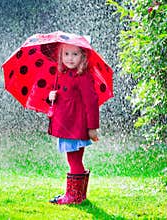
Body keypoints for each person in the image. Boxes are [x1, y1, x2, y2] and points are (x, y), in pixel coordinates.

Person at [48, 43, 99, 205]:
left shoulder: (82, 76)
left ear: (83, 56)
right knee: (74, 159)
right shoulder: (62, 74)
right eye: (67, 54)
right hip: (66, 125)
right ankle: (78, 195)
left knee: (74, 160)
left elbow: (91, 103)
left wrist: (92, 128)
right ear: (61, 56)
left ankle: (73, 196)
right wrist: (51, 96)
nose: (70, 58)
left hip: (74, 126)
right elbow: (63, 97)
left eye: (75, 54)